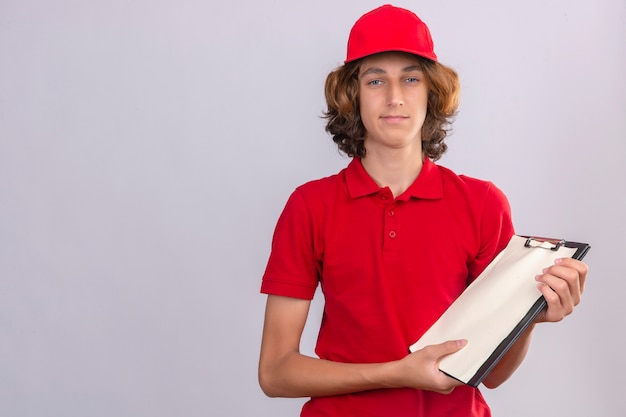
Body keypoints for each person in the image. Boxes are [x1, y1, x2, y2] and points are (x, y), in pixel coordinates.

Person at [258, 4, 588, 417]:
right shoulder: (310, 205)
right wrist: (397, 373)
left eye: (410, 78)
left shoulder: (482, 203)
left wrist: (532, 316)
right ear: (351, 94)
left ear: (431, 92)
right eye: (375, 79)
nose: (395, 97)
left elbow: (493, 374)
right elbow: (275, 372)